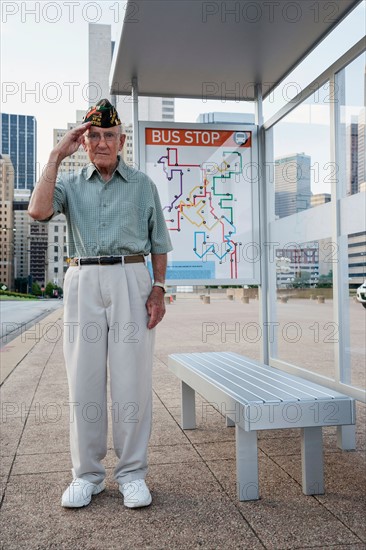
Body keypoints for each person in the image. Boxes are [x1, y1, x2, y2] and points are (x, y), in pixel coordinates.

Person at [28, 99, 173, 509]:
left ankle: (132, 474)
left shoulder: (143, 185)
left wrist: (158, 289)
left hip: (132, 278)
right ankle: (87, 475)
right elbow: (38, 210)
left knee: (132, 382)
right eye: (94, 136)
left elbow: (159, 243)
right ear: (84, 142)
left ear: (122, 140)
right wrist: (57, 155)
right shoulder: (70, 185)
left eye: (110, 136)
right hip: (83, 279)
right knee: (83, 381)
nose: (103, 143)